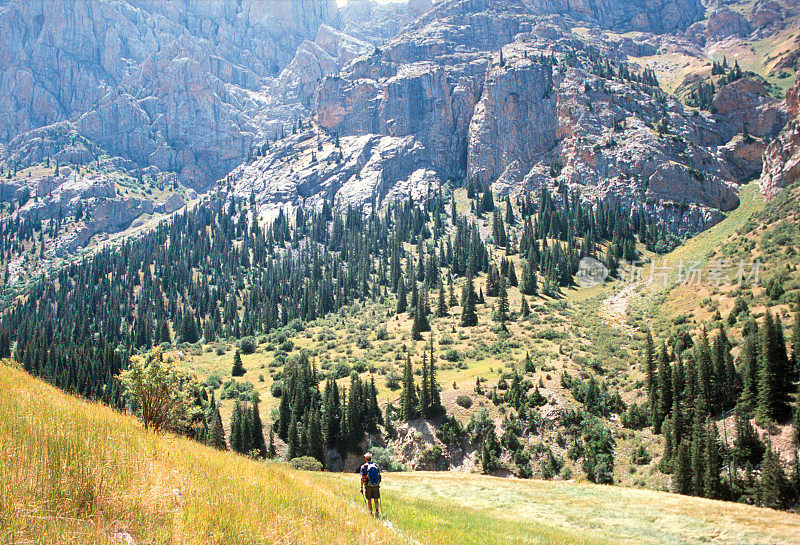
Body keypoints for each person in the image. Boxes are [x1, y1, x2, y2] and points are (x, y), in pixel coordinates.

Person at [359, 452, 381, 517]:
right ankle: (377, 511)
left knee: (369, 500)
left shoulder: (364, 466)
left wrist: (361, 487)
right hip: (376, 485)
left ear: (366, 458)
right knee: (376, 500)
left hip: (368, 485)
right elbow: (379, 474)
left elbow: (362, 478)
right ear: (371, 458)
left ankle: (371, 513)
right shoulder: (375, 465)